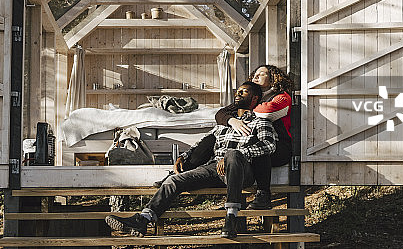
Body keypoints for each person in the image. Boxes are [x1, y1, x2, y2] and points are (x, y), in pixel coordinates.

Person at [105, 81, 276, 238]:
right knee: (174, 180)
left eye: (244, 92)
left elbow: (269, 146)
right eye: (237, 91)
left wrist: (236, 155)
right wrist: (184, 156)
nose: (238, 94)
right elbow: (202, 143)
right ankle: (143, 219)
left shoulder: (260, 123)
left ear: (254, 98)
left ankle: (231, 218)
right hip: (215, 169)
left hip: (241, 172)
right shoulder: (223, 125)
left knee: (232, 154)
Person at [215, 64, 292, 209]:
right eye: (255, 73)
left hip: (279, 146)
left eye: (262, 74)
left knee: (260, 146)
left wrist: (245, 110)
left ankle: (263, 195)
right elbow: (220, 114)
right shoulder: (250, 97)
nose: (256, 76)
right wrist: (233, 121)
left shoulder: (282, 97)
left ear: (273, 78)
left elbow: (267, 112)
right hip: (249, 144)